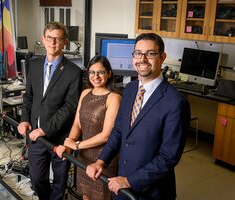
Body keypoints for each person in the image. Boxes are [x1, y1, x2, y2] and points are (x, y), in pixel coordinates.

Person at [86, 33, 191, 200]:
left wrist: (130, 180)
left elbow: (169, 156)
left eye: (150, 53)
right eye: (138, 53)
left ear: (162, 57)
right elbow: (118, 131)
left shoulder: (176, 102)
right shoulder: (129, 90)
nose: (142, 59)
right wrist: (101, 161)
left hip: (152, 192)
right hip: (121, 187)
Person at [17, 21, 83, 200]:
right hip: (36, 137)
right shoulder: (34, 65)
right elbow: (28, 96)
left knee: (60, 183)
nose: (53, 42)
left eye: (58, 39)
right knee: (37, 179)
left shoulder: (74, 72)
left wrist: (45, 129)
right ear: (43, 39)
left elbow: (70, 107)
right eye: (49, 38)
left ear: (64, 42)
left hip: (59, 138)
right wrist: (24, 119)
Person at [56, 55, 121, 200]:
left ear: (109, 73)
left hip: (103, 159)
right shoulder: (85, 93)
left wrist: (77, 145)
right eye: (92, 72)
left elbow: (106, 135)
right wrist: (68, 144)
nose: (96, 76)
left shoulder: (114, 97)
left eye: (101, 72)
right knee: (86, 196)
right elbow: (77, 124)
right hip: (84, 157)